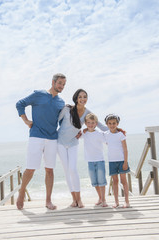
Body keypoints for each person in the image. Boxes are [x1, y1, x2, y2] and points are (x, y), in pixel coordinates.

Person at [16, 73, 66, 210]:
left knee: (50, 170)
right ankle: (21, 193)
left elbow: (63, 122)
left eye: (63, 84)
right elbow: (20, 104)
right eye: (60, 83)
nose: (61, 86)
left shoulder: (61, 103)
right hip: (36, 136)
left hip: (52, 138)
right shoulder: (39, 94)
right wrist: (26, 121)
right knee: (30, 168)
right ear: (53, 82)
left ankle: (48, 200)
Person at [57, 89, 108, 208]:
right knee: (67, 171)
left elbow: (100, 125)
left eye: (85, 97)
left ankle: (79, 199)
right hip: (60, 142)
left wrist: (116, 131)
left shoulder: (87, 112)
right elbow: (57, 121)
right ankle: (73, 199)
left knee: (73, 169)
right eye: (80, 97)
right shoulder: (67, 109)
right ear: (76, 98)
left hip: (74, 142)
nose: (82, 99)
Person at [104, 114, 130, 208]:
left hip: (122, 161)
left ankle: (126, 201)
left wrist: (125, 162)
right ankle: (116, 201)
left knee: (124, 181)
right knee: (115, 181)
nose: (112, 125)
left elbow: (125, 149)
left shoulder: (121, 135)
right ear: (107, 124)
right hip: (112, 161)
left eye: (114, 123)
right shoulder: (106, 135)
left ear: (117, 123)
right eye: (110, 123)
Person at [82, 113, 108, 207]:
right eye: (88, 122)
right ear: (85, 123)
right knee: (95, 182)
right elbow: (75, 135)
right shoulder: (84, 133)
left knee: (102, 181)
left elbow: (108, 140)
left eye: (93, 123)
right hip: (90, 161)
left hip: (100, 160)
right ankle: (100, 198)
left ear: (96, 123)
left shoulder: (100, 134)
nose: (90, 124)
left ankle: (104, 199)